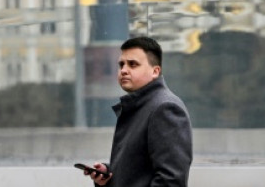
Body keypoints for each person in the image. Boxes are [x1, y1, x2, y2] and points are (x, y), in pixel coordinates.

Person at [81, 36, 192, 187]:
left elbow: (171, 181)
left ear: (155, 71)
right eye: (121, 65)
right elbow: (141, 171)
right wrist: (109, 175)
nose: (124, 70)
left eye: (133, 64)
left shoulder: (165, 108)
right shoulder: (140, 106)